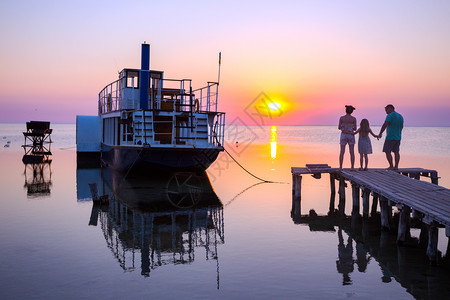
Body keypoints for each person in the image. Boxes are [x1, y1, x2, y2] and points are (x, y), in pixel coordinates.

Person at [378, 104, 404, 170]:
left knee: (387, 151)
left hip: (390, 137)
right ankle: (396, 166)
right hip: (398, 137)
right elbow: (402, 126)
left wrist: (380, 133)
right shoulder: (400, 116)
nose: (386, 112)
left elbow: (385, 124)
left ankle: (391, 166)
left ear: (390, 109)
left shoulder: (390, 115)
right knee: (396, 152)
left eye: (386, 110)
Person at [338, 105, 357, 170]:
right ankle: (352, 167)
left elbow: (339, 127)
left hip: (343, 135)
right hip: (351, 135)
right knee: (351, 152)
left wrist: (344, 127)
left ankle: (340, 166)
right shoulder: (353, 119)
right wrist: (350, 127)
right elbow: (355, 128)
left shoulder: (341, 118)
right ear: (351, 111)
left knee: (342, 151)